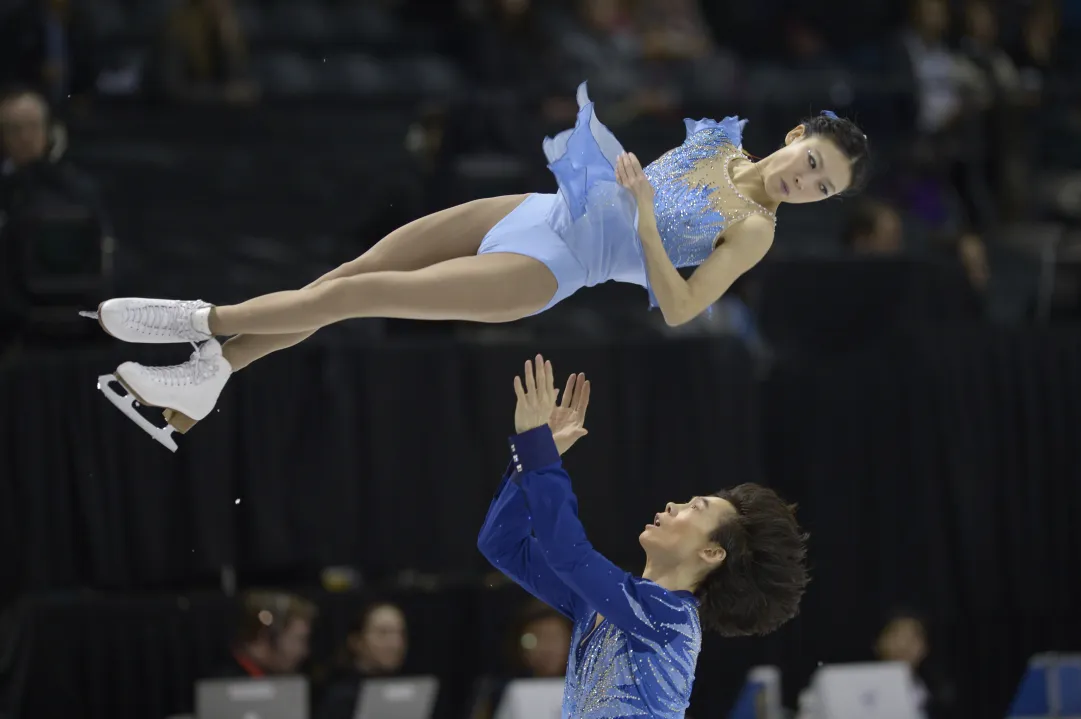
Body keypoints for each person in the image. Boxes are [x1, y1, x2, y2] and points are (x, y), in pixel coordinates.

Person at [86, 83, 869, 444]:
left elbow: (680, 308)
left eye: (820, 187)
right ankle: (192, 394)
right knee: (333, 283)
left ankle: (195, 323)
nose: (803, 181)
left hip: (548, 271)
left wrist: (643, 222)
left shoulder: (756, 230)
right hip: (528, 210)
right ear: (796, 133)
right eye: (810, 160)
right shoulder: (720, 140)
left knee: (355, 296)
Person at [477, 356, 809, 717]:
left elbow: (568, 554)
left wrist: (537, 449)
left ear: (713, 551)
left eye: (694, 507)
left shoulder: (671, 618)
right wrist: (529, 460)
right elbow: (502, 544)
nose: (673, 505)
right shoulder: (601, 605)